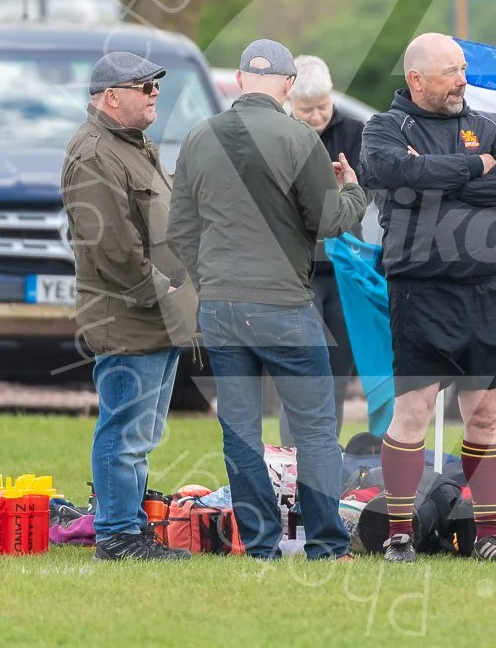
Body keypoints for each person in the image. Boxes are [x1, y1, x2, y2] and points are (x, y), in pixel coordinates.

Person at [167, 38, 368, 561]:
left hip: (221, 306)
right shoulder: (300, 137)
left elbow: (181, 230)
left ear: (237, 80)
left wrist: (210, 282)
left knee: (240, 430)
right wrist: (354, 192)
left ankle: (259, 545)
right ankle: (326, 543)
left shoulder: (197, 137)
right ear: (286, 86)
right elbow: (327, 222)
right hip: (283, 305)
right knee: (316, 429)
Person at [359, 32, 496, 565]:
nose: (463, 79)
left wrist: (440, 180)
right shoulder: (385, 128)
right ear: (416, 79)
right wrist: (475, 168)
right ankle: (400, 535)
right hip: (421, 288)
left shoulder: (489, 125)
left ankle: (485, 536)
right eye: (451, 71)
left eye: (462, 68)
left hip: (484, 289)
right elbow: (397, 173)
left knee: (484, 416)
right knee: (413, 411)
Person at [61, 50, 192, 562]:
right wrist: (163, 292)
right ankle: (116, 535)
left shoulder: (132, 144)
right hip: (129, 315)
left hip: (156, 313)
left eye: (156, 85)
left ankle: (131, 528)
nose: (155, 93)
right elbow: (112, 247)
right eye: (145, 86)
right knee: (125, 430)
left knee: (144, 433)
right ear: (111, 97)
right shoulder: (94, 153)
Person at [278, 54, 366, 437]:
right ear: (288, 104)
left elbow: (366, 194)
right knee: (300, 374)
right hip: (299, 272)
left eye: (323, 107)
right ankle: (291, 462)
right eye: (305, 110)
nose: (315, 117)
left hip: (345, 267)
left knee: (336, 375)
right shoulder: (279, 135)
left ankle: (329, 458)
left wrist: (344, 187)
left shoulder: (356, 132)